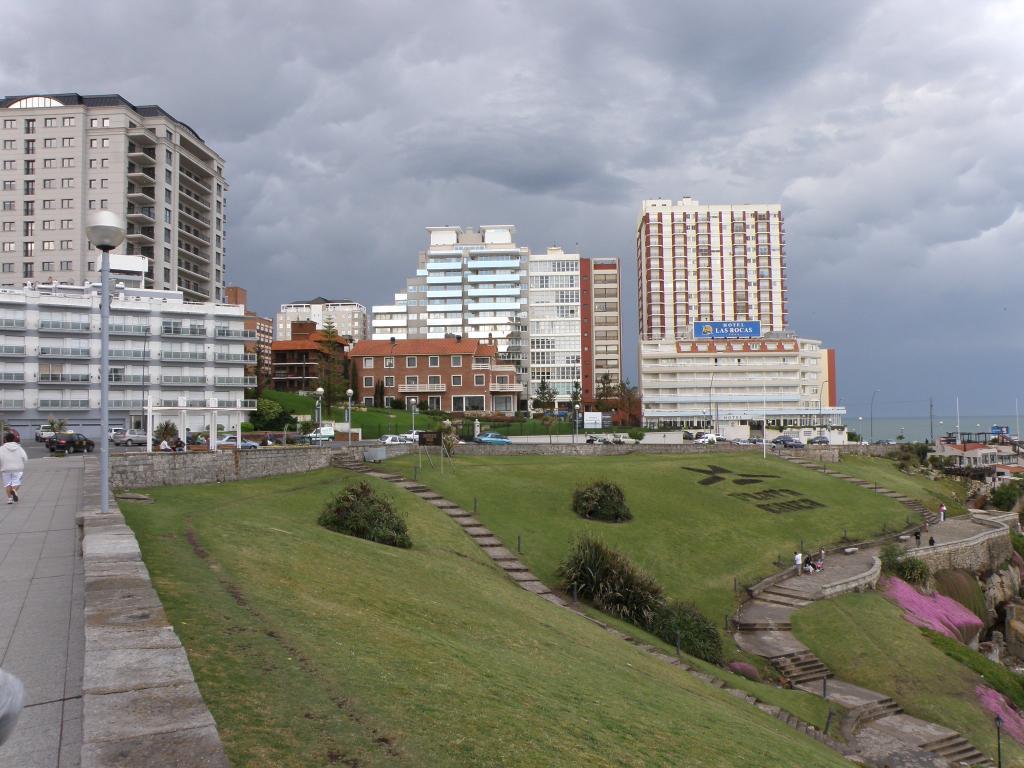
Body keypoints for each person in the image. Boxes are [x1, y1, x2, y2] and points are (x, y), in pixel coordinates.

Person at [1, 432, 27, 504]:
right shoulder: (19, 447)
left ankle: (9, 499)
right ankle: (14, 490)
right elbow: (25, 458)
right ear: (14, 439)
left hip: (5, 469)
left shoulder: (2, 448)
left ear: (5, 440)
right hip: (18, 468)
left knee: (7, 484)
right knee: (17, 482)